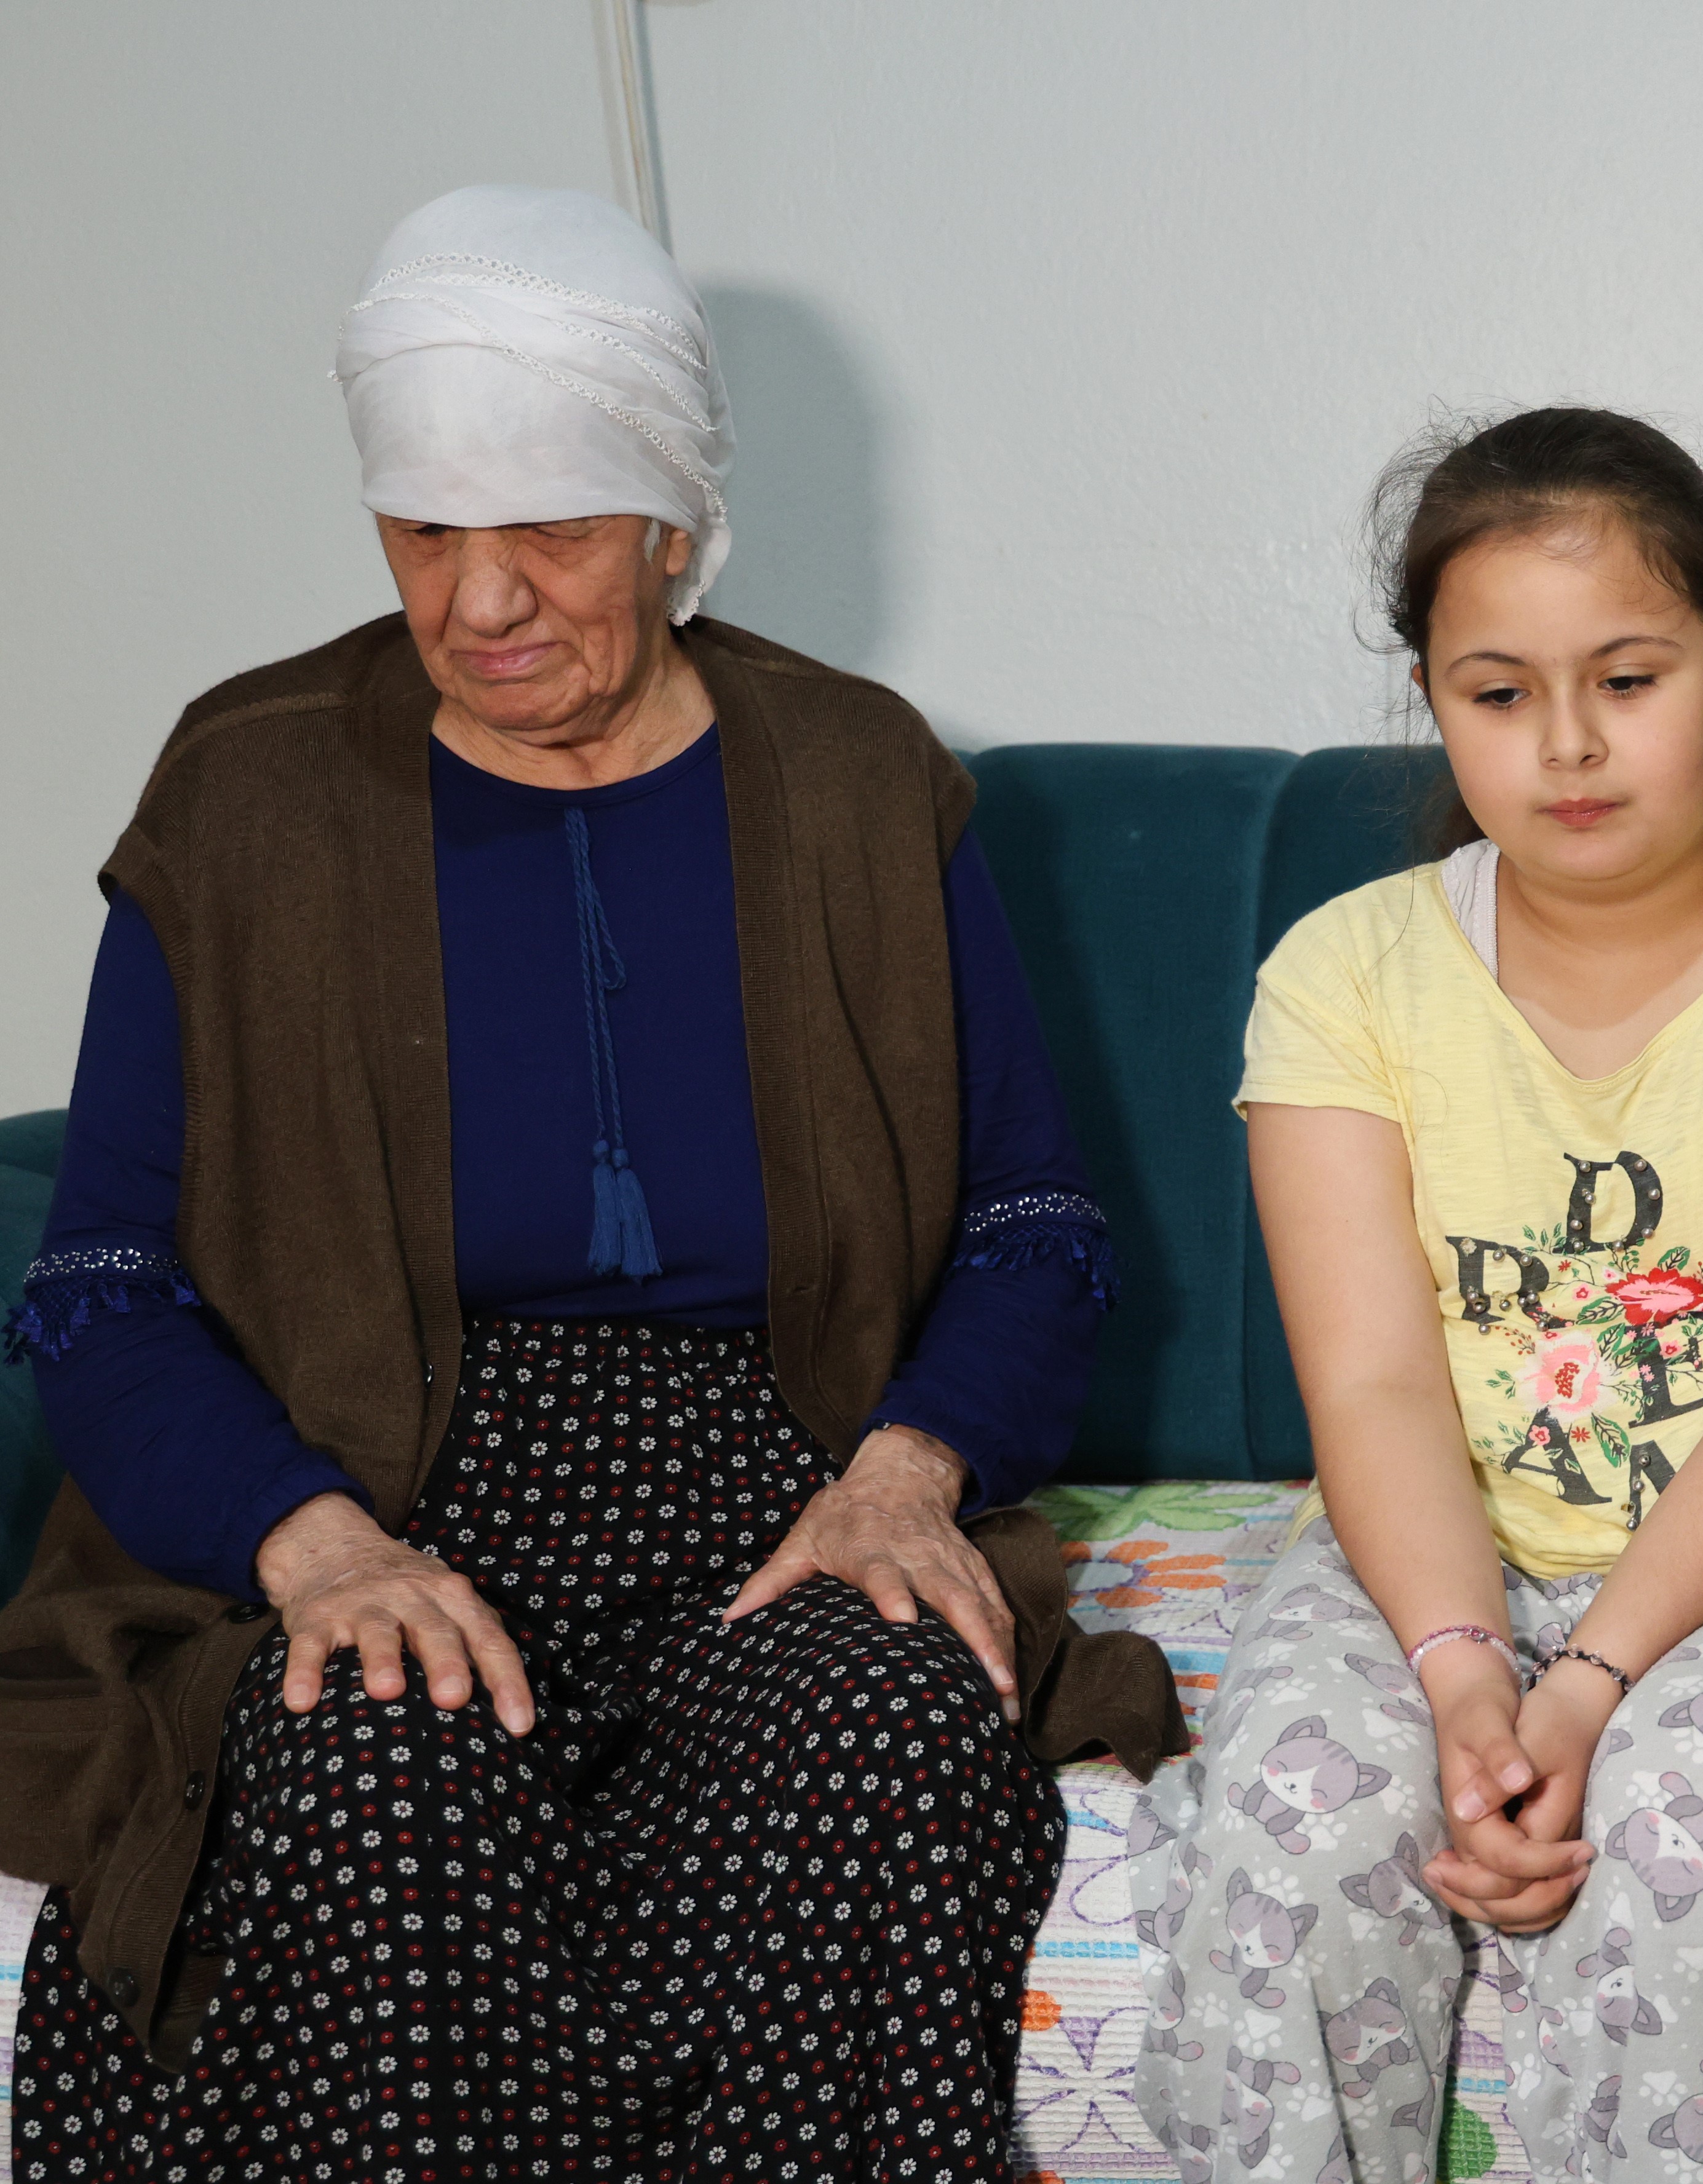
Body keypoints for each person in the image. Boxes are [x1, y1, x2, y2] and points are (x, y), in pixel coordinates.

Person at [0, 185, 1178, 2180]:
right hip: (374, 1492)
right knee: (366, 1767)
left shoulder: (858, 775)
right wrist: (310, 1545)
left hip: (779, 1494)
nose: (480, 601)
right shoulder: (244, 784)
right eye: (422, 533)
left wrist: (904, 1476)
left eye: (546, 529)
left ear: (671, 520)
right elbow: (103, 1278)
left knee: (886, 1733)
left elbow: (1031, 1226)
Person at [1149, 407, 1703, 2181]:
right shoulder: (1342, 976)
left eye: (1628, 679)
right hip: (1427, 1555)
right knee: (1305, 1800)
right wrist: (1467, 1675)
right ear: (1434, 701)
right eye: (1499, 693)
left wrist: (1592, 1684)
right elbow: (1377, 1388)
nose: (1567, 744)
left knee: (1683, 1790)